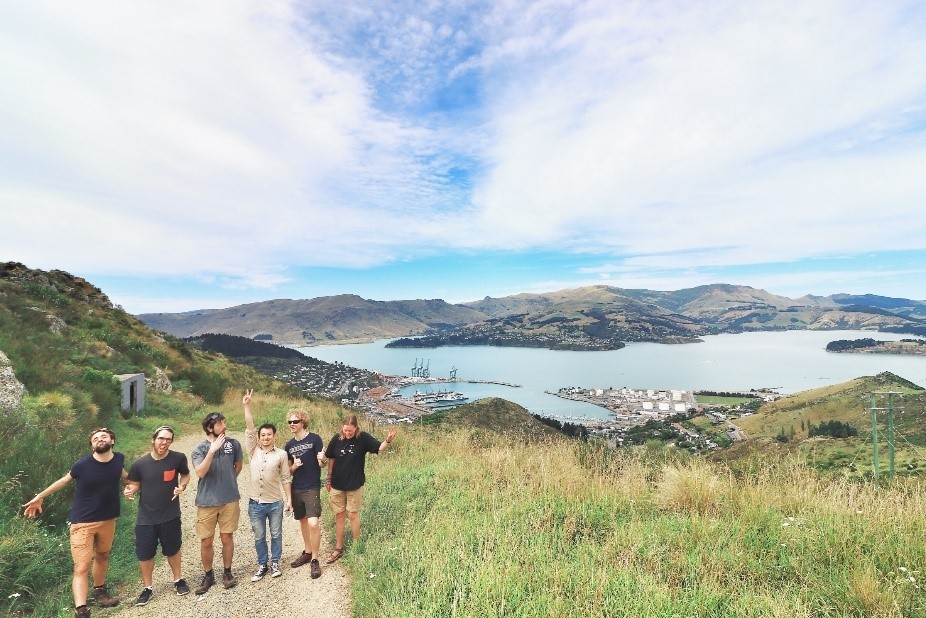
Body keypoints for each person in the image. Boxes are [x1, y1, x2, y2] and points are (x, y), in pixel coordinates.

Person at [22, 427, 128, 618]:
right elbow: (63, 481)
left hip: (108, 519)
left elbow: (125, 477)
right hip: (82, 523)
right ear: (92, 446)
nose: (100, 439)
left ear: (112, 441)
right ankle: (81, 609)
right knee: (82, 565)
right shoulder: (82, 465)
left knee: (103, 555)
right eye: (95, 438)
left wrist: (138, 485)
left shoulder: (118, 460)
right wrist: (40, 496)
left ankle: (100, 592)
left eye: (104, 436)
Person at [123, 425, 192, 606]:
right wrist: (130, 491)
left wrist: (182, 486)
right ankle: (148, 588)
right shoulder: (140, 463)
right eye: (161, 439)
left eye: (168, 439)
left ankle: (178, 580)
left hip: (170, 514)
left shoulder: (178, 458)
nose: (164, 443)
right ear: (153, 439)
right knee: (145, 554)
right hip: (146, 517)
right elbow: (135, 484)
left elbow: (185, 475)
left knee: (173, 549)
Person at [322, 415, 396, 564]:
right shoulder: (337, 439)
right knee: (340, 514)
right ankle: (338, 547)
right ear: (342, 428)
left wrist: (387, 440)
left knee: (353, 514)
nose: (348, 433)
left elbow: (379, 448)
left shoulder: (363, 438)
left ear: (356, 428)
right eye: (345, 430)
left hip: (354, 484)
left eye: (351, 431)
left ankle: (357, 544)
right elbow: (330, 458)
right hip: (337, 484)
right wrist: (328, 477)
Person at [241, 389, 292, 581]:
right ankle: (262, 564)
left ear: (274, 436)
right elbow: (249, 428)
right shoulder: (253, 450)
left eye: (269, 435)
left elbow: (286, 478)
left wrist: (289, 500)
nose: (265, 437)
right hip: (255, 503)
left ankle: (275, 562)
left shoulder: (281, 455)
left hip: (275, 502)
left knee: (276, 534)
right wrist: (247, 406)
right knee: (259, 536)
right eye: (263, 435)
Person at [191, 410, 243, 594]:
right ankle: (208, 575)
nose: (224, 426)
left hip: (230, 499)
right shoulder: (200, 449)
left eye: (224, 422)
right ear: (209, 428)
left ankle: (227, 573)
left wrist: (229, 480)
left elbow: (238, 466)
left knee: (227, 537)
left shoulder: (234, 444)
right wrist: (212, 451)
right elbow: (200, 472)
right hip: (207, 502)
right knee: (206, 541)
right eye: (220, 424)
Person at [284, 407, 325, 579]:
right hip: (297, 487)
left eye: (295, 421)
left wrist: (322, 460)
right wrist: (294, 466)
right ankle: (307, 552)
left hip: (312, 486)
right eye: (290, 422)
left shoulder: (315, 439)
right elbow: (288, 472)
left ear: (303, 423)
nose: (292, 424)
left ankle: (315, 560)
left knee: (313, 523)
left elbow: (322, 463)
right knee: (302, 521)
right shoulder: (289, 445)